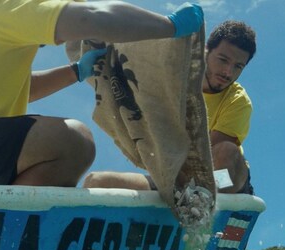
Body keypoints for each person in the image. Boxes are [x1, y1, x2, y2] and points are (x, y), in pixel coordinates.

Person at [0, 0, 204, 186]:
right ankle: (2, 245)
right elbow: (91, 18)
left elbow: (22, 88)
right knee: (73, 141)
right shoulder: (5, 6)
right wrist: (170, 27)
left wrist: (76, 72)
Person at [83, 20, 256, 194]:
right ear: (205, 51)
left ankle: (204, 205)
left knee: (227, 151)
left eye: (238, 66)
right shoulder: (173, 80)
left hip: (222, 181)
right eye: (223, 60)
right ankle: (184, 205)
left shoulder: (238, 101)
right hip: (176, 182)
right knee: (97, 182)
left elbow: (205, 158)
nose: (228, 72)